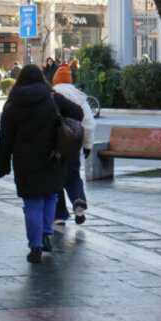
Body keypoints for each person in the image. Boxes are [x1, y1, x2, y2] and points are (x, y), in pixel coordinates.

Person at [0, 64, 84, 264]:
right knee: (50, 196)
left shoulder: (12, 105)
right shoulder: (52, 99)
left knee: (32, 203)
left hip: (24, 163)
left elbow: (5, 140)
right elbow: (78, 113)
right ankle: (46, 233)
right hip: (52, 157)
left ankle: (35, 246)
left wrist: (2, 165)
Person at [52, 64, 95, 225]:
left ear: (55, 80)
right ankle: (78, 200)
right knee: (73, 175)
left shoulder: (52, 94)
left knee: (56, 178)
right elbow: (89, 124)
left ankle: (59, 215)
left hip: (55, 145)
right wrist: (87, 145)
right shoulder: (79, 97)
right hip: (73, 144)